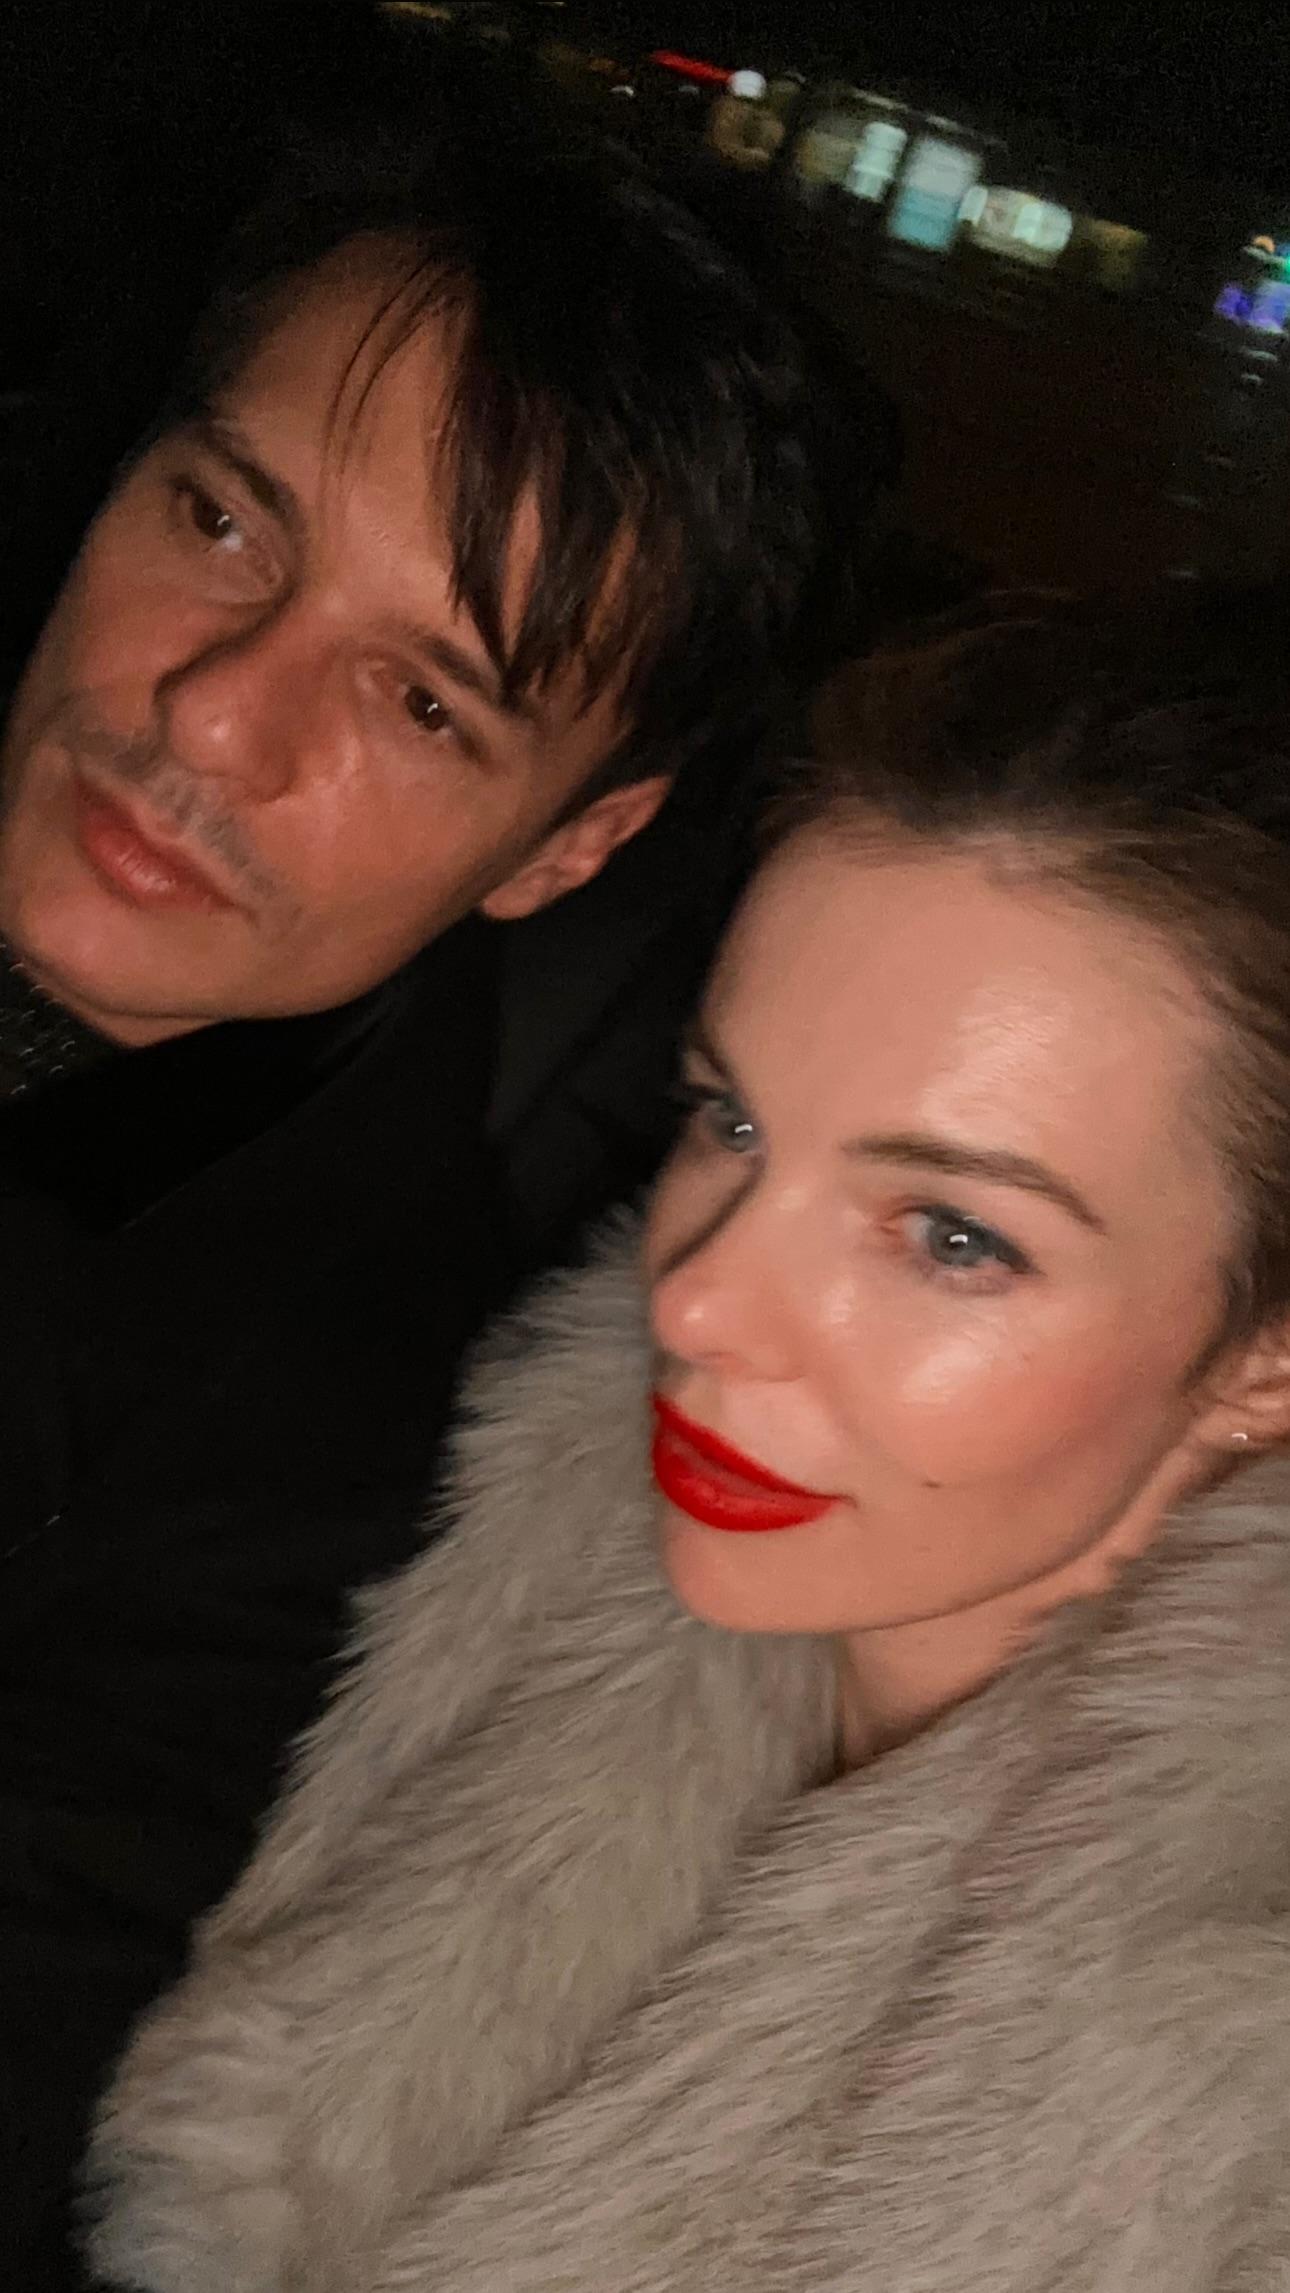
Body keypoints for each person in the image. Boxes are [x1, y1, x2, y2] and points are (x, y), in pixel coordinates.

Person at [90, 600, 1290, 2292]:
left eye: (951, 1235)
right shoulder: (515, 1525)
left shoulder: (1237, 2073)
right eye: (729, 1119)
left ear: (1264, 1353)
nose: (699, 1297)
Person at [0, 95, 887, 2282]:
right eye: (223, 520)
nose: (218, 716)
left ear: (570, 845)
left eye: (419, 699)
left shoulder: (319, 1482)